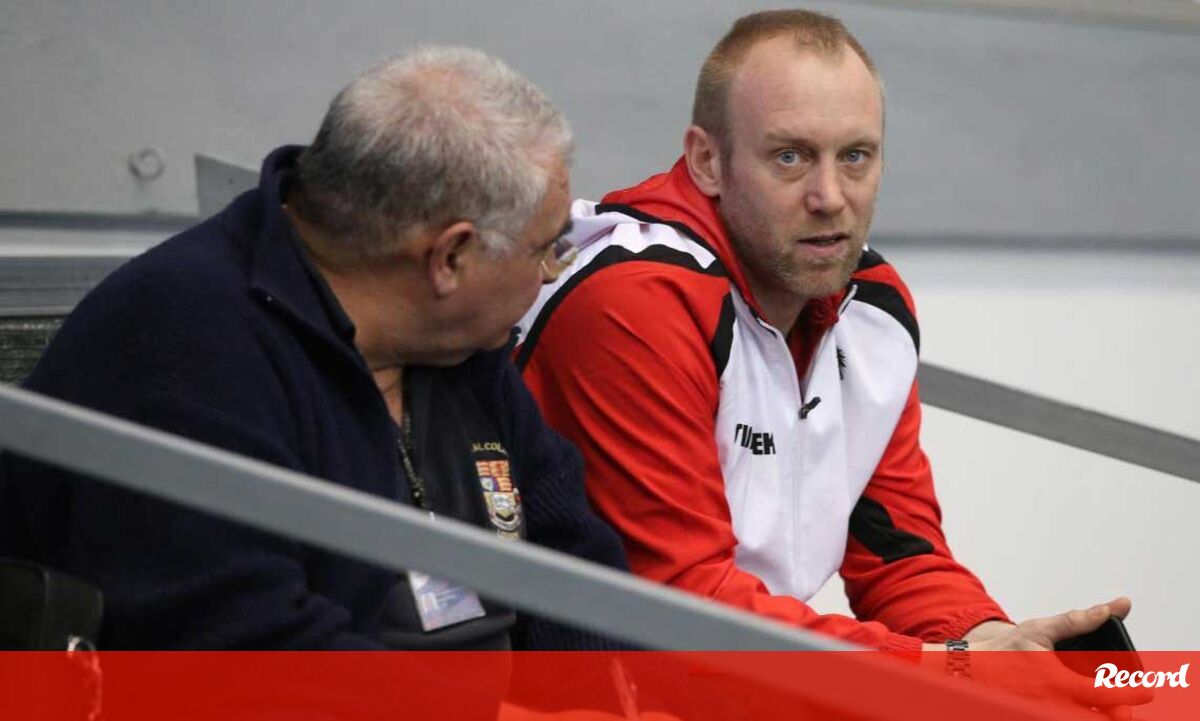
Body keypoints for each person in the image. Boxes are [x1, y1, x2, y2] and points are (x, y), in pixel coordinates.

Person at [517, 9, 1146, 714]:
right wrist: (953, 671)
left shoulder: (870, 302)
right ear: (706, 162)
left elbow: (899, 554)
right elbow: (686, 608)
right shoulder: (636, 301)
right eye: (790, 157)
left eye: (855, 156)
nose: (830, 198)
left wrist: (993, 643)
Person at [0, 46, 627, 653]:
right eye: (545, 248)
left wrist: (607, 700)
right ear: (450, 257)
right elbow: (244, 651)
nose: (550, 271)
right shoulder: (184, 344)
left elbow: (574, 566)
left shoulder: (456, 342)